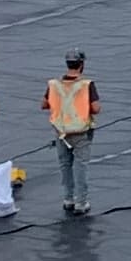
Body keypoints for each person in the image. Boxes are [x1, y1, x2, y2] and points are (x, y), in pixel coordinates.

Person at [41, 51, 100, 217]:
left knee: (65, 165)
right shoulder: (86, 85)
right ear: (81, 65)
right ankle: (81, 202)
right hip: (80, 132)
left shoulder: (54, 85)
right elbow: (96, 108)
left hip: (61, 132)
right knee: (80, 166)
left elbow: (44, 104)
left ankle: (68, 199)